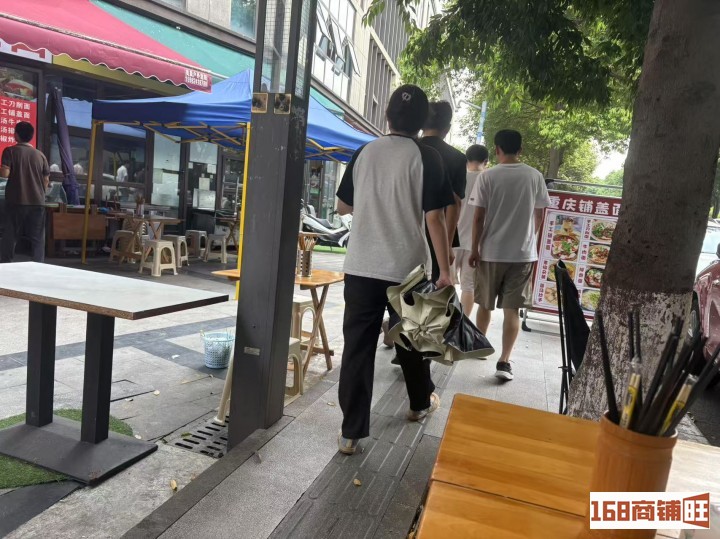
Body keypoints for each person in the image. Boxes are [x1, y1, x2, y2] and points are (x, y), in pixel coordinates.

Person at [335, 84, 454, 455]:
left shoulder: (365, 152)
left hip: (361, 266)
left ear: (387, 115)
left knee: (357, 348)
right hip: (408, 268)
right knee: (413, 339)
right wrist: (445, 270)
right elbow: (435, 218)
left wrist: (376, 201)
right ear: (421, 122)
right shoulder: (427, 157)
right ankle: (419, 404)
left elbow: (342, 206)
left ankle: (350, 433)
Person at [468, 130, 550, 381]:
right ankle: (504, 362)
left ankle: (480, 347)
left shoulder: (487, 176)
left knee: (485, 304)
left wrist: (474, 249)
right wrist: (529, 239)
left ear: (497, 150)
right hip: (522, 254)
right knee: (512, 310)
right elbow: (540, 214)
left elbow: (478, 217)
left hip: (491, 251)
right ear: (520, 150)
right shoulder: (535, 176)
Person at [420, 101, 467, 279]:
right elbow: (455, 203)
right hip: (438, 235)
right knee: (434, 286)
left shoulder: (410, 148)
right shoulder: (457, 158)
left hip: (405, 229)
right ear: (447, 128)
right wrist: (446, 246)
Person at [0, 121, 50, 263]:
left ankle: (6, 264)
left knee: (10, 235)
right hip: (38, 202)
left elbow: (5, 174)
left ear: (16, 135)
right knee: (37, 238)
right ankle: (38, 264)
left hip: (16, 200)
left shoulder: (10, 151)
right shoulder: (40, 155)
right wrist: (40, 193)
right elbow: (46, 180)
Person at [455, 144, 489, 316]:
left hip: (452, 239)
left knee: (445, 283)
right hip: (475, 242)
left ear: (466, 159)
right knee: (468, 286)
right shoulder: (488, 181)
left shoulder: (458, 178)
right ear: (486, 161)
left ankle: (443, 323)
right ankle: (463, 323)